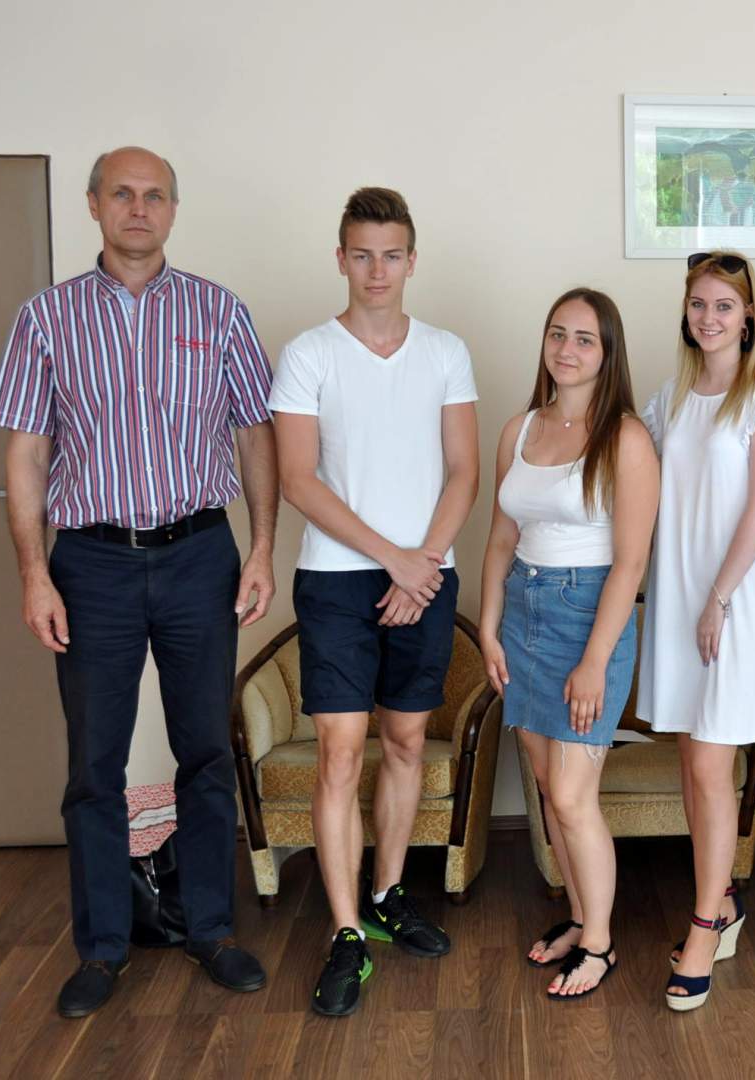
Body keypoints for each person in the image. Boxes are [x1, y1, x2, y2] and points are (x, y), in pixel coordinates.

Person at [0, 146, 275, 1018]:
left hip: (199, 554)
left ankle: (210, 929)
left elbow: (255, 433)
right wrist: (35, 574)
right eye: (122, 193)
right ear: (94, 205)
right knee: (94, 765)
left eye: (155, 196)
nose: (139, 208)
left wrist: (263, 548)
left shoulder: (218, 312)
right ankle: (103, 947)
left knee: (206, 749)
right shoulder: (47, 318)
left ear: (173, 210)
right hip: (92, 563)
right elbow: (26, 453)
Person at [269, 187, 481, 1017]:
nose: (377, 270)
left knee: (404, 741)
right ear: (341, 259)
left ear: (412, 260)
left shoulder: (446, 351)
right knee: (339, 753)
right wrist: (392, 559)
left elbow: (463, 470)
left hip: (426, 569)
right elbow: (296, 479)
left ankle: (389, 895)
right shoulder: (308, 354)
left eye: (391, 255)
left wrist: (419, 566)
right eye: (362, 254)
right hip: (337, 579)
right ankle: (347, 931)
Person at [478, 288, 658, 997]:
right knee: (551, 790)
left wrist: (593, 662)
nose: (567, 349)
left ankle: (602, 945)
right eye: (558, 333)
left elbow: (631, 563)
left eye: (585, 338)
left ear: (608, 352)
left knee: (576, 796)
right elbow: (501, 539)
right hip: (522, 612)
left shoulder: (626, 437)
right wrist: (488, 626)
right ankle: (582, 920)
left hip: (589, 618)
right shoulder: (519, 429)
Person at [640, 251, 755, 1012]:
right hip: (679, 599)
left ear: (748, 315)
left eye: (725, 306)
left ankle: (707, 923)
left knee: (711, 765)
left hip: (729, 606)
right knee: (691, 759)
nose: (710, 317)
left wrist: (718, 599)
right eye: (699, 304)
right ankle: (723, 900)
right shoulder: (672, 397)